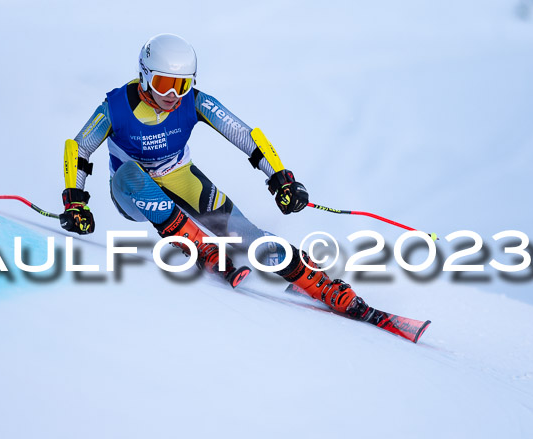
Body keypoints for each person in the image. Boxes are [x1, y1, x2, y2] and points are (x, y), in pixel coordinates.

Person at [59, 33, 373, 319]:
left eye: (181, 85)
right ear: (144, 75)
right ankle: (200, 246)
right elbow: (80, 148)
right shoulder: (116, 107)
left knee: (244, 233)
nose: (172, 95)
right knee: (130, 173)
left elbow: (244, 135)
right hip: (132, 191)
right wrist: (75, 201)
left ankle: (319, 284)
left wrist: (281, 178)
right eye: (163, 84)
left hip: (180, 176)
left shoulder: (194, 101)